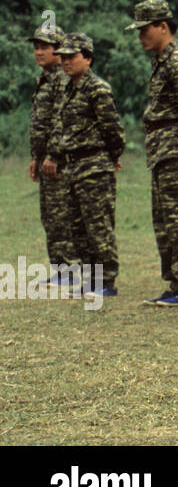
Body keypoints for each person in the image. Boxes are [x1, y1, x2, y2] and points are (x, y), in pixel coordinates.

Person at [127, 0, 178, 307]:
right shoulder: (162, 61)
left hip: (177, 150)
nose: (140, 36)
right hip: (162, 150)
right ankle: (176, 282)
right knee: (165, 219)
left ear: (163, 26)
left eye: (145, 29)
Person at [44, 33, 124, 299]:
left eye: (72, 57)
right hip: (73, 167)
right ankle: (90, 280)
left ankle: (106, 281)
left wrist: (111, 157)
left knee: (97, 226)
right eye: (63, 57)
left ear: (88, 59)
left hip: (94, 166)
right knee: (78, 228)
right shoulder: (68, 89)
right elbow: (61, 127)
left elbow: (113, 129)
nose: (66, 62)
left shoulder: (97, 89)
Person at [29, 24, 75, 279]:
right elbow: (40, 124)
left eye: (44, 47)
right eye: (36, 47)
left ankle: (70, 268)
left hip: (59, 160)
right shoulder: (45, 79)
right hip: (45, 158)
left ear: (59, 51)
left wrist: (54, 155)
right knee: (50, 215)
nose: (38, 52)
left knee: (61, 214)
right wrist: (36, 157)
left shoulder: (62, 78)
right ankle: (61, 268)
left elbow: (62, 119)